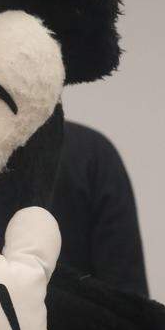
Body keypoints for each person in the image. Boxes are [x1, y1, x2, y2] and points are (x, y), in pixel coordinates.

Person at [50, 120, 149, 296]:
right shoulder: (92, 150)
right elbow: (127, 296)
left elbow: (126, 295)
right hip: (78, 319)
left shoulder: (92, 153)